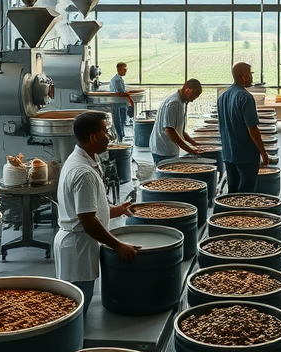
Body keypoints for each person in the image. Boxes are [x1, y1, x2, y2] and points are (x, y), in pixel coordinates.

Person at [55, 112, 139, 316]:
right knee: (74, 312)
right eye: (106, 132)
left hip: (79, 244)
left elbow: (89, 209)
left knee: (76, 305)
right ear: (93, 137)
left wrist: (115, 210)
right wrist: (118, 245)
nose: (109, 136)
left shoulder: (84, 159)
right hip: (77, 248)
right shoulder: (83, 172)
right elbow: (87, 221)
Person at [217, 62, 271, 193]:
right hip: (246, 154)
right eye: (250, 74)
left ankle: (230, 213)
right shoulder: (246, 97)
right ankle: (242, 213)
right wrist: (263, 152)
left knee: (232, 190)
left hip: (228, 152)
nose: (252, 77)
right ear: (244, 77)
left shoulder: (222, 97)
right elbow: (252, 129)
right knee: (246, 191)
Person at [150, 79, 204, 163]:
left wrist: (194, 144)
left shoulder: (180, 101)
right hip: (164, 149)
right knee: (167, 175)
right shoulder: (174, 103)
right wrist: (188, 149)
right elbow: (169, 130)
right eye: (193, 97)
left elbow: (180, 130)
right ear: (188, 90)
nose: (192, 100)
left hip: (168, 148)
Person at [107, 62, 134, 142]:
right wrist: (131, 101)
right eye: (124, 69)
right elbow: (121, 93)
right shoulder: (116, 80)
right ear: (119, 69)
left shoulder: (118, 79)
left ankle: (121, 138)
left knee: (121, 122)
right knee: (119, 123)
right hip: (118, 105)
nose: (126, 71)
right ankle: (120, 140)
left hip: (121, 104)